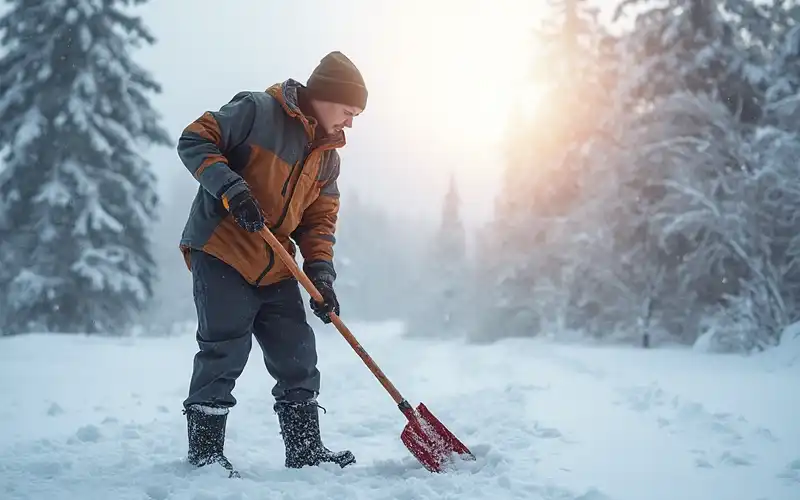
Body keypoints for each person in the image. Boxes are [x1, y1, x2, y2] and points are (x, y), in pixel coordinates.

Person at [174, 51, 367, 475]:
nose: (351, 122)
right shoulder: (258, 111)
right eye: (348, 111)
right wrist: (232, 189)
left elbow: (319, 221)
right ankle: (205, 454)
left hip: (276, 260)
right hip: (223, 246)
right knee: (225, 347)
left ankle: (306, 451)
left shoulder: (328, 158)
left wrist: (320, 274)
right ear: (326, 96)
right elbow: (194, 139)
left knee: (297, 354)